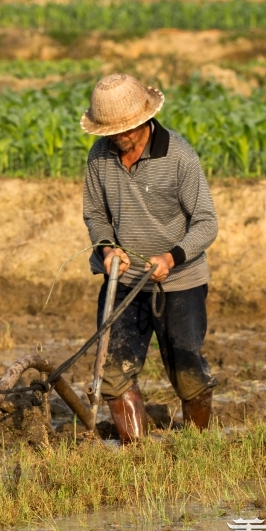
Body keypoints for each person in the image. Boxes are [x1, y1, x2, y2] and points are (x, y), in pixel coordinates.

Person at [80, 74, 219, 443]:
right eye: (110, 131)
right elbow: (95, 214)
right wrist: (108, 249)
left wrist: (171, 258)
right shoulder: (100, 156)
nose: (118, 137)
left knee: (188, 373)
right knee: (112, 374)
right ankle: (135, 454)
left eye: (125, 129)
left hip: (179, 282)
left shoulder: (179, 157)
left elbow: (206, 222)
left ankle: (198, 449)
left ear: (145, 119)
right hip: (123, 282)